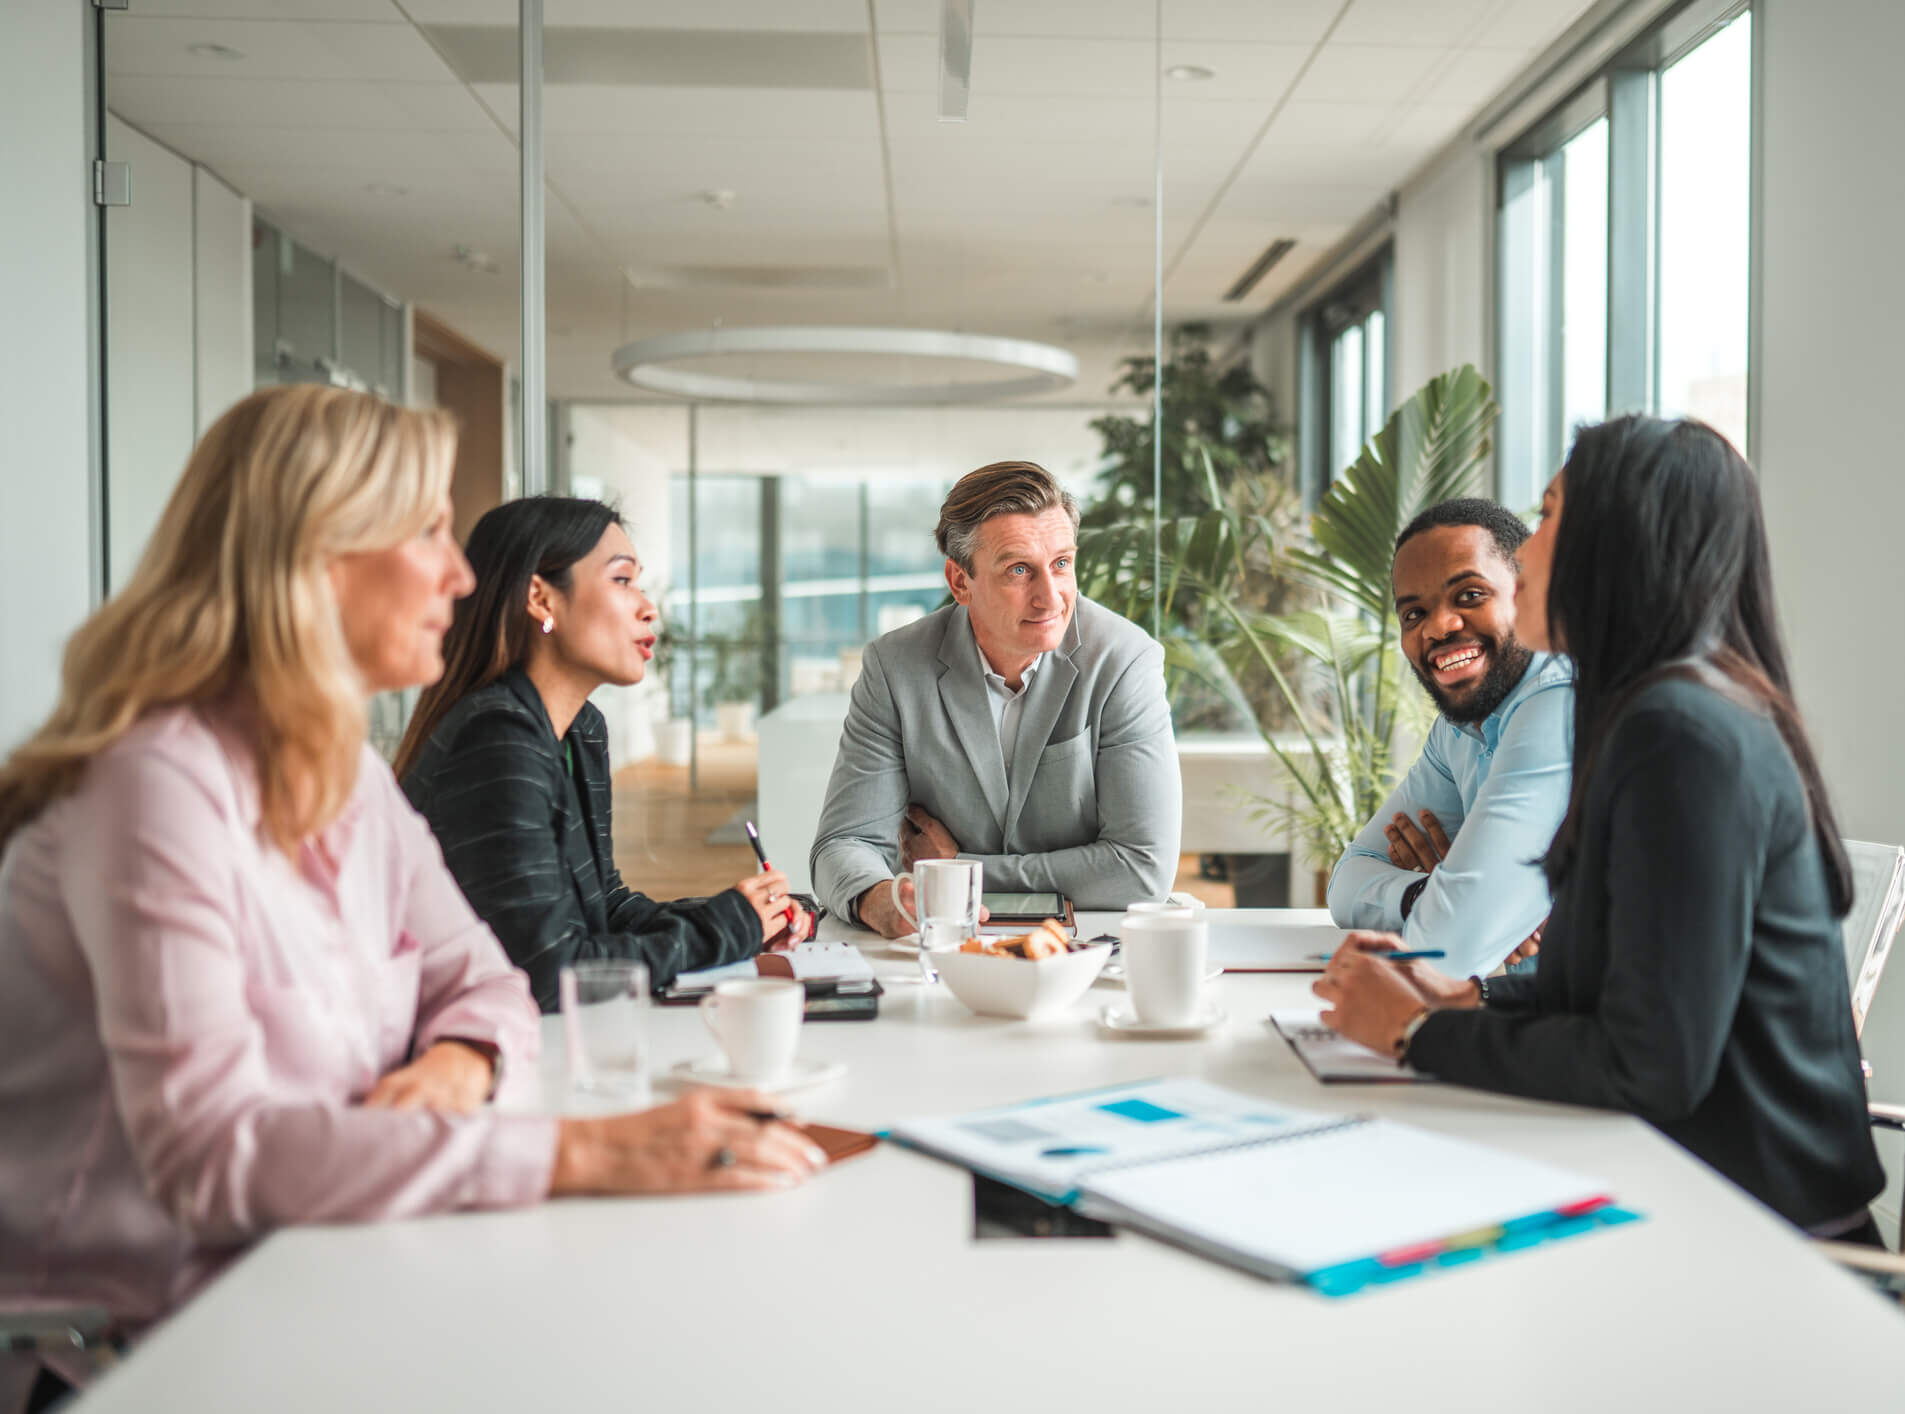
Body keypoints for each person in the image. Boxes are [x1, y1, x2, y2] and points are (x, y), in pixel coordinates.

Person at [0, 389, 824, 1405]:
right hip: (154, 1349)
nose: (460, 571)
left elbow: (482, 978)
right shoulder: (156, 783)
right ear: (315, 550)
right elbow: (211, 1159)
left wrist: (459, 1057)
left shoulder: (337, 773)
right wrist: (575, 1151)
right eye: (427, 529)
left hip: (329, 1268)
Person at [1314, 416, 1886, 1238]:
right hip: (1692, 1190)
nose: (1526, 552)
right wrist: (1474, 995)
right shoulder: (1656, 712)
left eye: (1545, 518)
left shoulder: (1678, 734)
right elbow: (1635, 983)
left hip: (1762, 1241)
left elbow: (1650, 1066)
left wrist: (1416, 1031)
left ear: (1616, 547)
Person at [395, 497, 809, 1013]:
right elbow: (549, 971)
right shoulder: (497, 739)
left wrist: (746, 915)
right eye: (621, 580)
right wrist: (724, 929)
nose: (647, 606)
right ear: (542, 599)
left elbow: (603, 906)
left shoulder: (579, 730)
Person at [809, 460, 1181, 938]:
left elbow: (1141, 867)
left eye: (1062, 564)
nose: (1050, 598)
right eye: (1019, 570)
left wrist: (959, 869)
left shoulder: (1125, 661)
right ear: (960, 582)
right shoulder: (895, 667)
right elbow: (845, 843)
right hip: (940, 942)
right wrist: (877, 900)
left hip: (1091, 947)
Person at [1326, 499, 1573, 978]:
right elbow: (1346, 882)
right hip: (1527, 1020)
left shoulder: (1560, 700)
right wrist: (1428, 893)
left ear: (1527, 591)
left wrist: (1465, 909)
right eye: (1414, 614)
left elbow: (1444, 950)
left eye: (1469, 595)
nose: (1438, 627)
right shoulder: (1459, 730)